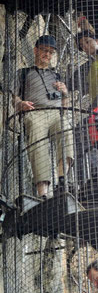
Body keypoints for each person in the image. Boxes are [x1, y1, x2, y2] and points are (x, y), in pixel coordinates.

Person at [13, 35, 74, 198]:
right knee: (37, 147)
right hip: (34, 112)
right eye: (44, 51)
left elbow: (65, 107)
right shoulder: (24, 73)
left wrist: (65, 93)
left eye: (51, 52)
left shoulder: (57, 76)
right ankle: (43, 194)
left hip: (56, 113)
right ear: (36, 50)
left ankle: (63, 180)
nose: (47, 54)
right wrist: (21, 104)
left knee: (67, 132)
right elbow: (14, 96)